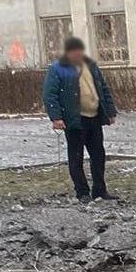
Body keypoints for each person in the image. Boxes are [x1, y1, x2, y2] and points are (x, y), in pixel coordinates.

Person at [43, 37, 119, 203]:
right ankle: (82, 192)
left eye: (79, 50)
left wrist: (110, 111)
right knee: (76, 157)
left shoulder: (91, 66)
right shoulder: (58, 68)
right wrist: (56, 117)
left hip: (94, 117)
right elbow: (50, 94)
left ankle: (100, 190)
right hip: (74, 120)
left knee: (98, 155)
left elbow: (103, 89)